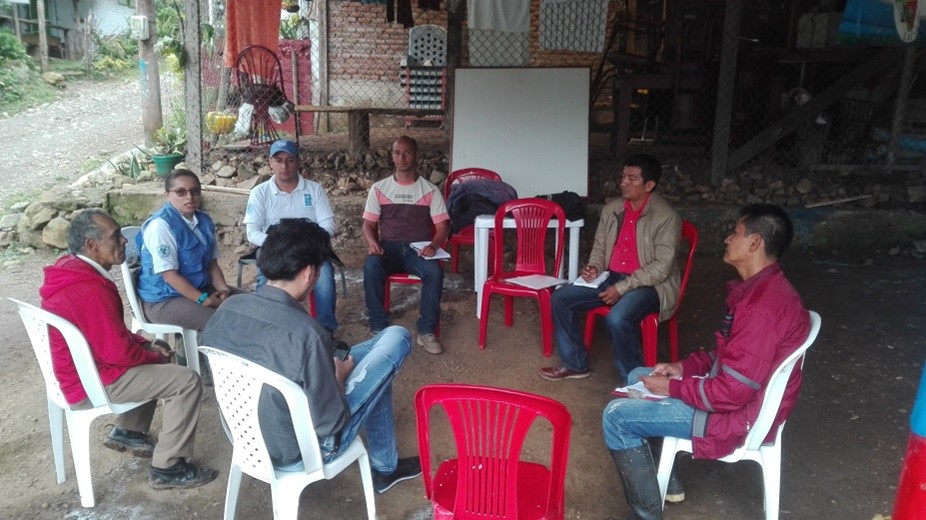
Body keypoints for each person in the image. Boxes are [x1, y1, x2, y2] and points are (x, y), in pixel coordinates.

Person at [600, 204, 811, 520]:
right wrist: (682, 369)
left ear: (755, 243)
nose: (727, 239)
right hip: (736, 397)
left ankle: (646, 516)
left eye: (735, 233)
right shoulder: (763, 291)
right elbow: (733, 357)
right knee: (637, 375)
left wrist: (672, 388)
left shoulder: (762, 309)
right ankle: (666, 479)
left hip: (736, 415)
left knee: (616, 417)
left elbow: (732, 392)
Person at [202, 218, 422, 494]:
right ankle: (386, 468)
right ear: (309, 273)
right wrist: (338, 376)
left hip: (245, 439)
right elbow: (330, 423)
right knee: (397, 337)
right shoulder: (309, 335)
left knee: (375, 366)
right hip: (304, 451)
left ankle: (386, 466)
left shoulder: (228, 308)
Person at [39, 209, 217, 489]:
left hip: (82, 370)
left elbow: (109, 336)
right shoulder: (90, 289)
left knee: (155, 349)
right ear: (92, 245)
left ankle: (129, 430)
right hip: (88, 383)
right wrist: (152, 355)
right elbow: (118, 353)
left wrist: (147, 346)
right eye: (115, 236)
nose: (124, 241)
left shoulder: (70, 270)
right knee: (186, 381)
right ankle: (168, 468)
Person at [540, 154, 681, 382]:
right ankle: (575, 364)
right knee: (561, 298)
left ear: (649, 185)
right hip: (612, 277)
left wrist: (622, 288)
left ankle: (633, 380)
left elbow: (661, 268)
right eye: (623, 177)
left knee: (617, 318)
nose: (624, 182)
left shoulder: (666, 217)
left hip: (650, 285)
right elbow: (600, 247)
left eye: (632, 179)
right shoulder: (613, 209)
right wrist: (595, 267)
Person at [362, 136, 450, 355]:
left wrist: (433, 246)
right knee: (371, 266)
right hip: (388, 248)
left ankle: (426, 331)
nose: (401, 158)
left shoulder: (430, 190)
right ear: (392, 156)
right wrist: (372, 243)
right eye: (397, 152)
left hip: (417, 250)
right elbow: (368, 225)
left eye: (407, 152)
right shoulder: (379, 188)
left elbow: (442, 228)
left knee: (434, 272)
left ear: (416, 156)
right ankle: (378, 327)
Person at [243, 139, 339, 333]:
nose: (284, 166)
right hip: (275, 250)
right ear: (270, 162)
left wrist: (308, 245)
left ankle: (325, 331)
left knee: (324, 275)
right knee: (266, 278)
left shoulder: (314, 190)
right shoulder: (259, 193)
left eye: (290, 160)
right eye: (278, 160)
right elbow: (252, 232)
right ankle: (266, 328)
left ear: (298, 162)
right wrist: (282, 245)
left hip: (309, 250)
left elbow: (329, 225)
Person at [136, 168, 238, 333]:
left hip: (200, 288)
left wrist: (223, 289)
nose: (189, 197)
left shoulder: (204, 221)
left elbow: (212, 265)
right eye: (181, 192)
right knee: (225, 324)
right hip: (164, 299)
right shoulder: (161, 226)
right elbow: (170, 276)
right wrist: (205, 300)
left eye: (194, 191)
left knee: (252, 305)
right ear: (167, 195)